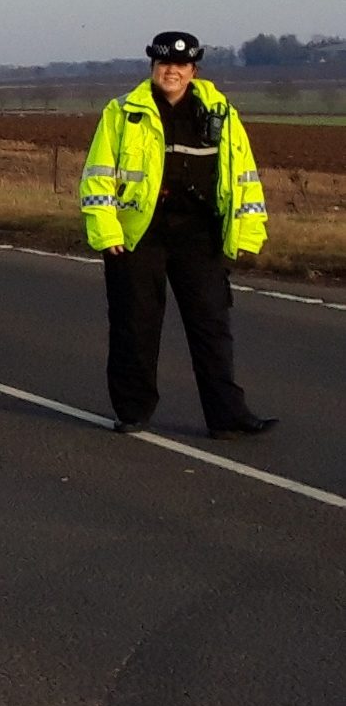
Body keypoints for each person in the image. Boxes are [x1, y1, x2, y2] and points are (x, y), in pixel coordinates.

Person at [83, 31, 274, 437]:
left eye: (180, 65)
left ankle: (228, 417)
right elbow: (96, 178)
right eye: (164, 63)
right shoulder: (121, 113)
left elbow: (244, 177)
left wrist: (248, 232)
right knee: (135, 324)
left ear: (193, 70)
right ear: (152, 67)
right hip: (137, 234)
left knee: (212, 327)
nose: (172, 71)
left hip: (198, 234)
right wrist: (105, 230)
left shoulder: (221, 111)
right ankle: (133, 411)